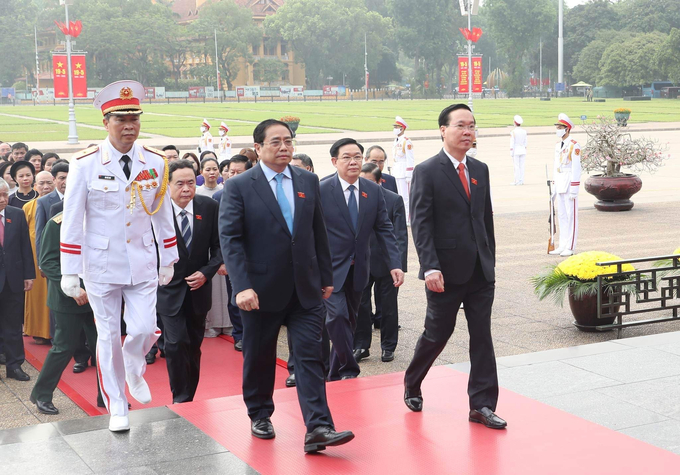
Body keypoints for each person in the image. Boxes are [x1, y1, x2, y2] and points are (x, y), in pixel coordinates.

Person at [220, 119, 354, 453]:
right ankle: (260, 413)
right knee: (260, 355)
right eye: (276, 142)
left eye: (288, 142)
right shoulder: (239, 186)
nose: (284, 148)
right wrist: (242, 285)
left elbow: (317, 231)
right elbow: (231, 240)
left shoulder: (307, 180)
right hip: (260, 291)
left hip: (305, 289)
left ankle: (319, 426)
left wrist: (326, 276)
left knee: (311, 356)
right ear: (258, 148)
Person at [60, 80, 178, 432]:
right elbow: (73, 218)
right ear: (105, 122)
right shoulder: (85, 163)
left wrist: (168, 256)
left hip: (141, 260)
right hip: (100, 264)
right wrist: (70, 271)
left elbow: (161, 212)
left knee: (143, 327)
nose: (129, 126)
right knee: (108, 335)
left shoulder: (154, 162)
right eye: (120, 119)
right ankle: (117, 405)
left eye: (134, 119)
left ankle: (134, 365)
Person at [404, 104, 506, 430]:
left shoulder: (481, 169)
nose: (468, 132)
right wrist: (429, 266)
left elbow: (484, 219)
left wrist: (489, 257)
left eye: (472, 126)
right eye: (461, 125)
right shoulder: (427, 170)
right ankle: (412, 382)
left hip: (480, 271)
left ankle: (482, 405)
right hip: (444, 273)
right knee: (437, 334)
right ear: (443, 130)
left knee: (482, 338)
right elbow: (420, 224)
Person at [319, 138, 404, 381]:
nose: (353, 161)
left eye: (357, 156)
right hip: (330, 271)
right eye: (347, 157)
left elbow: (386, 229)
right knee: (336, 317)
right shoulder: (322, 190)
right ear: (335, 161)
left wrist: (395, 264)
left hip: (359, 270)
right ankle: (349, 369)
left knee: (351, 322)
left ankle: (335, 373)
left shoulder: (374, 191)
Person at [157, 160, 222, 403]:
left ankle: (189, 396)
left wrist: (207, 272)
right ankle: (180, 397)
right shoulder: (157, 209)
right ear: (168, 185)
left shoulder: (208, 206)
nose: (186, 188)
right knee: (175, 343)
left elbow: (219, 248)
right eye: (180, 183)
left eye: (191, 183)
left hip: (198, 291)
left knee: (194, 346)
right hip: (167, 290)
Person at [29, 210, 99, 415]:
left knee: (103, 347)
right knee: (64, 347)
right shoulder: (57, 223)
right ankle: (41, 394)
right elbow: (48, 262)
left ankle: (107, 394)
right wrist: (73, 288)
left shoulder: (100, 218)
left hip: (97, 295)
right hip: (67, 297)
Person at [353, 163, 407, 363]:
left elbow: (400, 236)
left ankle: (388, 346)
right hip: (361, 263)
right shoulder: (354, 198)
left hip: (386, 264)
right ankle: (360, 345)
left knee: (388, 307)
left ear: (379, 181)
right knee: (361, 306)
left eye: (368, 182)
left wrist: (398, 265)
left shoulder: (393, 200)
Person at [0, 178, 36, 381]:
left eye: (5, 194)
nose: (3, 199)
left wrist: (28, 275)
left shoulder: (17, 214)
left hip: (13, 280)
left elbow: (25, 247)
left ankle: (14, 366)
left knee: (13, 325)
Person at [196, 156, 229, 338]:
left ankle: (227, 324)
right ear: (201, 172)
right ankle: (211, 324)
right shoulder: (196, 194)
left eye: (214, 169)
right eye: (207, 169)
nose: (211, 172)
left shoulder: (224, 192)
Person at [22, 171, 54, 344]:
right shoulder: (28, 207)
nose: (45, 187)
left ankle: (55, 331)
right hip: (35, 258)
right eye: (41, 183)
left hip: (53, 257)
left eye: (49, 182)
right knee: (37, 297)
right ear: (35, 186)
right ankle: (38, 331)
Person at [549, 113, 581, 257]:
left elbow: (576, 168)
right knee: (561, 215)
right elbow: (556, 166)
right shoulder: (558, 145)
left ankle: (570, 246)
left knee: (571, 216)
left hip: (569, 182)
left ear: (567, 129)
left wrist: (574, 188)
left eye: (560, 127)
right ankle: (562, 244)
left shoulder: (574, 145)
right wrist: (553, 186)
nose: (558, 129)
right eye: (557, 127)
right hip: (560, 181)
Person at [35, 162, 68, 261]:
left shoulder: (80, 198)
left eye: (69, 178)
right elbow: (40, 234)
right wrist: (42, 262)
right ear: (54, 180)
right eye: (62, 178)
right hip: (54, 256)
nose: (66, 182)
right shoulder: (43, 201)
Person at [391, 117, 414, 223]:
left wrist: (409, 173)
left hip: (404, 171)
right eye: (395, 127)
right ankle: (402, 217)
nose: (395, 129)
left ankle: (408, 219)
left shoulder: (406, 141)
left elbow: (410, 158)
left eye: (397, 127)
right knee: (400, 195)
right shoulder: (396, 140)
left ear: (402, 129)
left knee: (406, 197)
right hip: (397, 170)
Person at [510, 115, 527, 185]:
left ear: (514, 122)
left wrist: (511, 152)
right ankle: (521, 180)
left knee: (516, 166)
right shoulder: (524, 131)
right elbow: (526, 142)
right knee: (522, 166)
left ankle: (517, 181)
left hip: (516, 150)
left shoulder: (513, 132)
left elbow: (512, 143)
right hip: (522, 149)